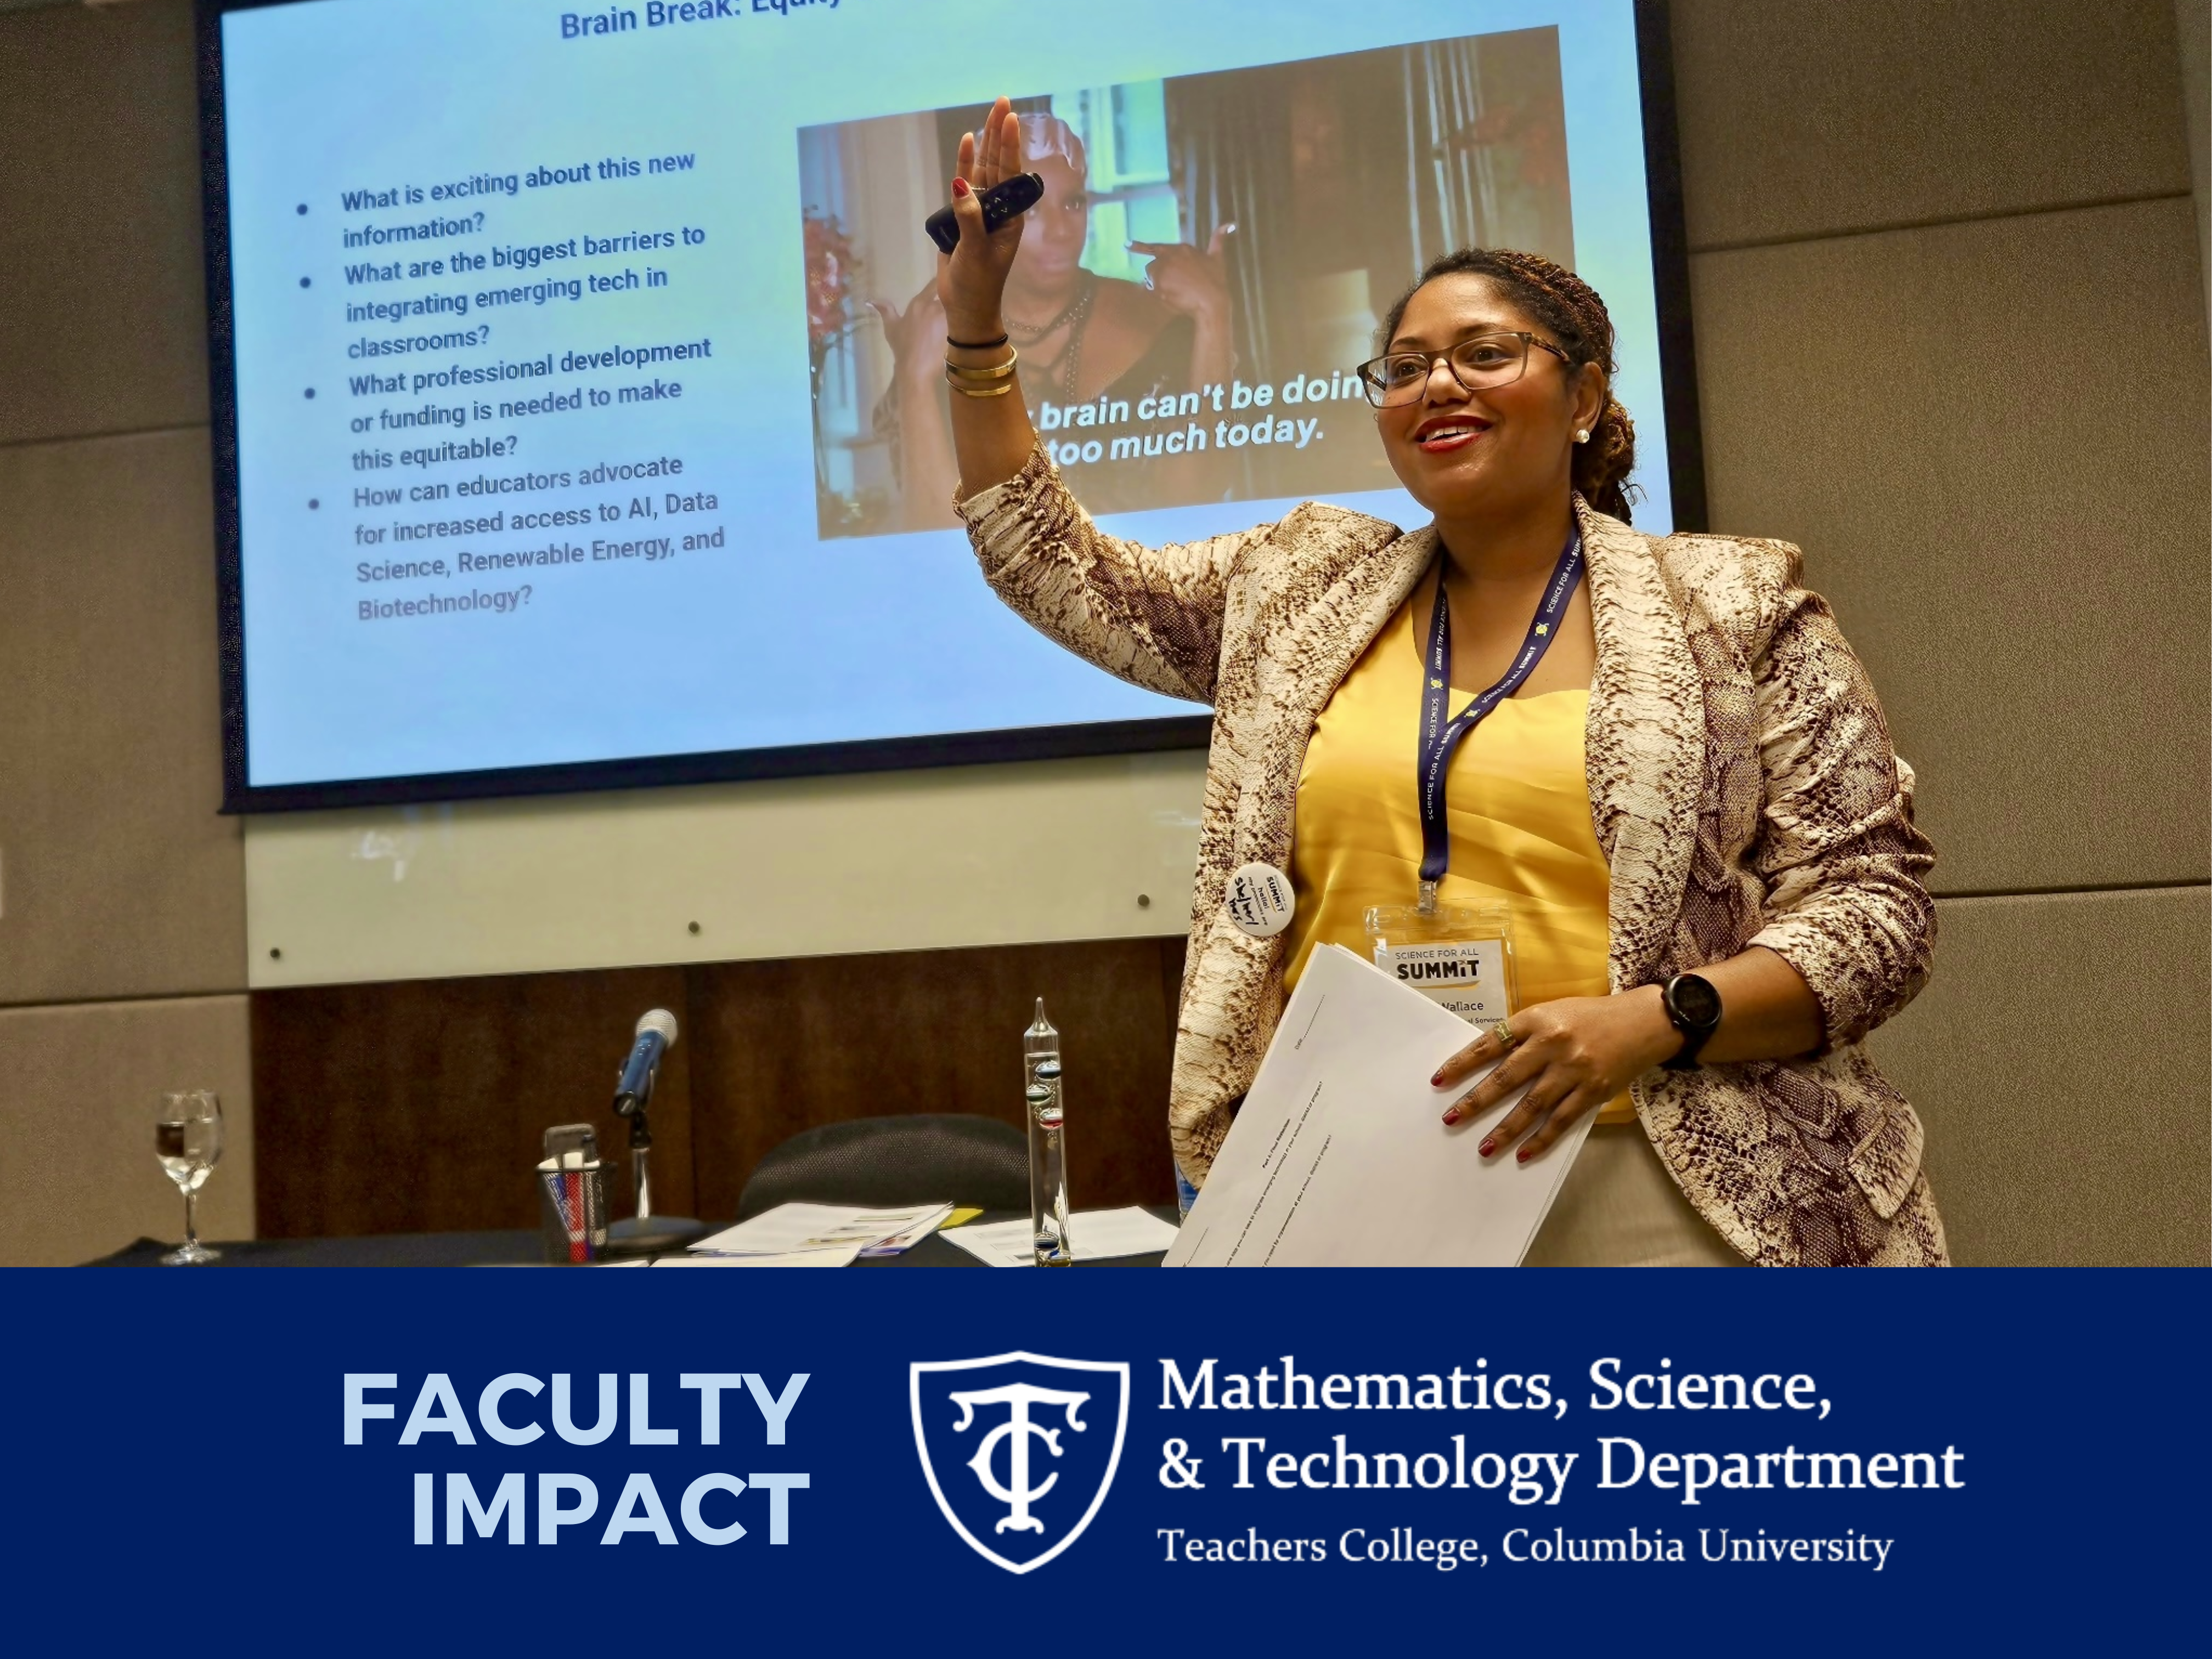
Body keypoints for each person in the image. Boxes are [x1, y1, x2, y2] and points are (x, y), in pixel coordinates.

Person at [938, 99, 1946, 1266]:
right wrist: (975, 322)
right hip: (1365, 1175)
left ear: (1582, 399)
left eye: (1484, 354)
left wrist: (1655, 1023)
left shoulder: (1736, 608)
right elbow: (1052, 563)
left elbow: (1878, 911)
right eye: (1405, 367)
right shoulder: (1295, 590)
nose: (1436, 387)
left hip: (1659, 1174)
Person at [872, 111, 1235, 529]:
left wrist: (1215, 317)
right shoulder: (934, 344)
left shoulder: (1157, 320)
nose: (1062, 230)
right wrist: (915, 379)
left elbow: (1196, 498)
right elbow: (940, 537)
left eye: (1073, 202)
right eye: (1034, 211)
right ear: (984, 219)